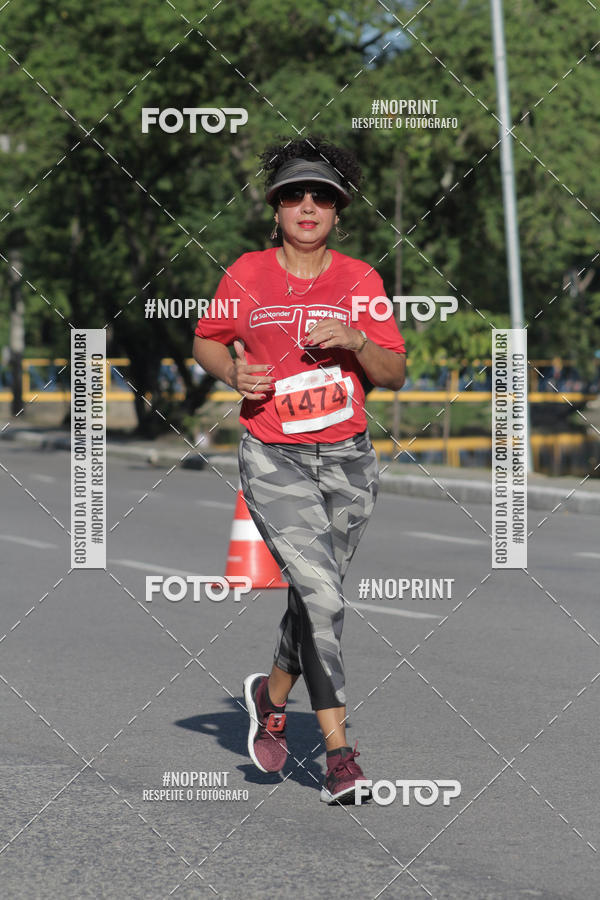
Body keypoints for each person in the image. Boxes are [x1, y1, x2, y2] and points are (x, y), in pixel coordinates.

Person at [193, 136, 406, 805]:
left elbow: (394, 373)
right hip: (274, 454)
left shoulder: (360, 281)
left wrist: (357, 340)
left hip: (349, 460)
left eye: (322, 196)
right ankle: (341, 758)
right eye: (294, 195)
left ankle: (271, 694)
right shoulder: (246, 274)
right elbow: (205, 339)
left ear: (338, 211)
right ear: (276, 207)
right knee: (324, 598)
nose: (308, 206)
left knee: (317, 596)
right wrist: (233, 371)